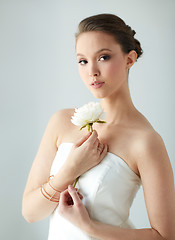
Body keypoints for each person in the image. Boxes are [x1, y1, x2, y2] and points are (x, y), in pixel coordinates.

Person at [22, 13, 175, 240]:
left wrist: (90, 227)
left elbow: (165, 236)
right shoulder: (62, 122)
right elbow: (31, 213)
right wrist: (69, 170)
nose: (92, 70)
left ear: (129, 59)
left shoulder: (145, 140)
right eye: (82, 60)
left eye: (103, 57)